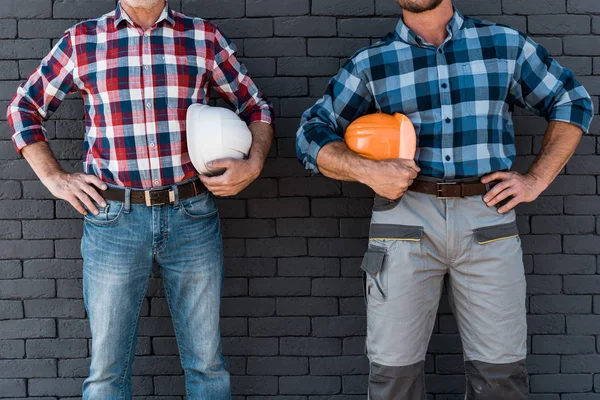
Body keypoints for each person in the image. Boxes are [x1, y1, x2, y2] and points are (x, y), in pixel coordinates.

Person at [296, 0, 593, 398]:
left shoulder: (503, 45)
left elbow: (572, 100)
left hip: (488, 218)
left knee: (501, 376)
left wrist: (536, 180)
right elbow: (311, 133)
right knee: (392, 377)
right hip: (403, 221)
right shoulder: (372, 62)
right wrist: (367, 171)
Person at [7, 0, 273, 398]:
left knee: (207, 366)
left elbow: (256, 107)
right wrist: (54, 178)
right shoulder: (82, 41)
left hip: (192, 214)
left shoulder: (202, 37)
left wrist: (253, 164)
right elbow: (23, 108)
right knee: (106, 371)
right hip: (113, 218)